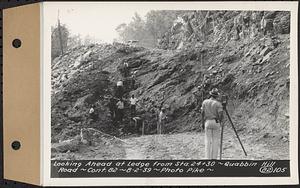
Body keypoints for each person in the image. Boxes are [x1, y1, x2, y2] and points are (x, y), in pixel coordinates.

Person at [201, 88, 224, 159]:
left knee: (207, 140)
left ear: (210, 94)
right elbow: (220, 114)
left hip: (207, 121)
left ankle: (207, 158)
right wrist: (220, 121)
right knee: (215, 140)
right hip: (215, 121)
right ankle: (214, 158)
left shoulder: (205, 102)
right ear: (217, 96)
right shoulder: (218, 104)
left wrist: (202, 122)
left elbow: (202, 113)